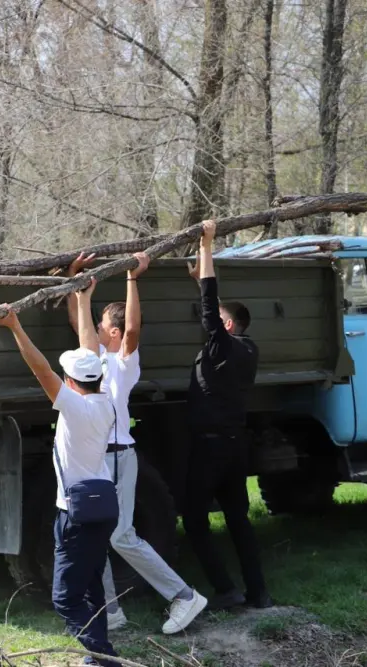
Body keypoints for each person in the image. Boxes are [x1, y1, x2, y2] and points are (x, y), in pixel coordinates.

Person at [65, 252, 208, 634]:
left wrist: (132, 279)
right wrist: (77, 286)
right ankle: (109, 613)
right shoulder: (92, 359)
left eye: (101, 325)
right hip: (96, 458)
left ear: (111, 333)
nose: (94, 329)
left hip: (117, 457)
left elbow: (131, 330)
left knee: (120, 535)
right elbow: (78, 328)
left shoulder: (124, 361)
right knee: (96, 533)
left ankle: (183, 596)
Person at [0, 281, 120, 667]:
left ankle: (107, 658)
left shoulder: (74, 407)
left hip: (75, 514)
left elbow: (40, 369)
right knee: (92, 587)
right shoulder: (106, 401)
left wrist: (16, 327)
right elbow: (89, 352)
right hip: (102, 509)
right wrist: (82, 295)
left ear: (70, 383)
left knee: (65, 598)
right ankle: (100, 658)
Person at [183, 220, 272, 610]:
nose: (212, 325)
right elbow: (211, 313)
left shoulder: (223, 347)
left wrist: (207, 246)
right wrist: (198, 279)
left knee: (195, 521)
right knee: (238, 520)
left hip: (211, 448)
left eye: (219, 321)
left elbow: (209, 306)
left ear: (228, 325)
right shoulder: (247, 349)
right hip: (235, 446)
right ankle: (259, 594)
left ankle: (225, 590)